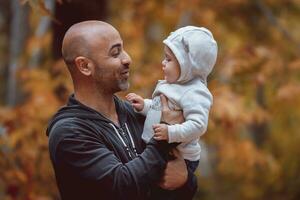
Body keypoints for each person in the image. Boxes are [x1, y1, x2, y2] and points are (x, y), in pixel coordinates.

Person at [46, 20, 197, 200]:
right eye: (115, 53)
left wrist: (185, 181)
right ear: (85, 66)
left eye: (123, 49)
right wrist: (166, 133)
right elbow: (121, 186)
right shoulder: (69, 133)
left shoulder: (135, 113)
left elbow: (177, 183)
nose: (127, 59)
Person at [126, 26, 218, 197]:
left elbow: (198, 125)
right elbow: (160, 108)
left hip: (179, 155)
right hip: (157, 148)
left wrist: (171, 131)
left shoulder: (196, 92)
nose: (163, 63)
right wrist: (144, 106)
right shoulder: (174, 86)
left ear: (187, 66)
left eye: (168, 59)